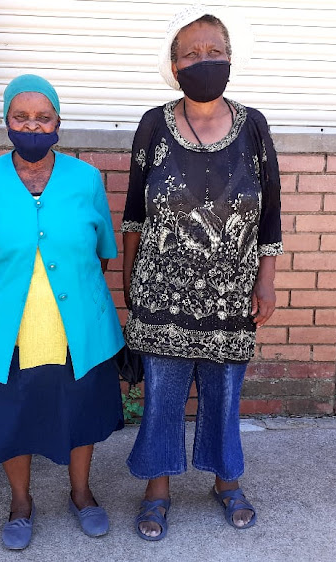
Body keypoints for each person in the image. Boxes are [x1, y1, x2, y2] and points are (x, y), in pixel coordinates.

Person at [121, 5, 283, 541]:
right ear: (173, 64)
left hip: (231, 292)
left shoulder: (254, 126)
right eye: (191, 52)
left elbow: (271, 211)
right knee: (163, 392)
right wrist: (129, 282)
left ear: (231, 57)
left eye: (214, 50)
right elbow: (134, 212)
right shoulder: (153, 125)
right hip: (161, 287)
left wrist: (266, 277)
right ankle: (157, 488)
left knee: (224, 393)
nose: (204, 60)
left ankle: (225, 479)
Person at [0, 74, 125, 550]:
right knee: (14, 415)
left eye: (42, 117)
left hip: (77, 323)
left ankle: (81, 493)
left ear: (58, 122)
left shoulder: (86, 178)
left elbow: (103, 251)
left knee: (79, 411)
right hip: (11, 326)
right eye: (21, 117)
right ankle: (21, 502)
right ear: (6, 122)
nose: (32, 126)